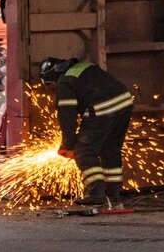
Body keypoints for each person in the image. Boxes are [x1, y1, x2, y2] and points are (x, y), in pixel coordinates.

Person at [39, 57, 134, 209]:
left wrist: (68, 145)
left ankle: (96, 194)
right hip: (124, 104)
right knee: (110, 150)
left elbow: (67, 119)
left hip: (103, 108)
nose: (52, 90)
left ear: (51, 78)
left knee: (83, 151)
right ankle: (114, 195)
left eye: (50, 86)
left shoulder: (64, 82)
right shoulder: (81, 67)